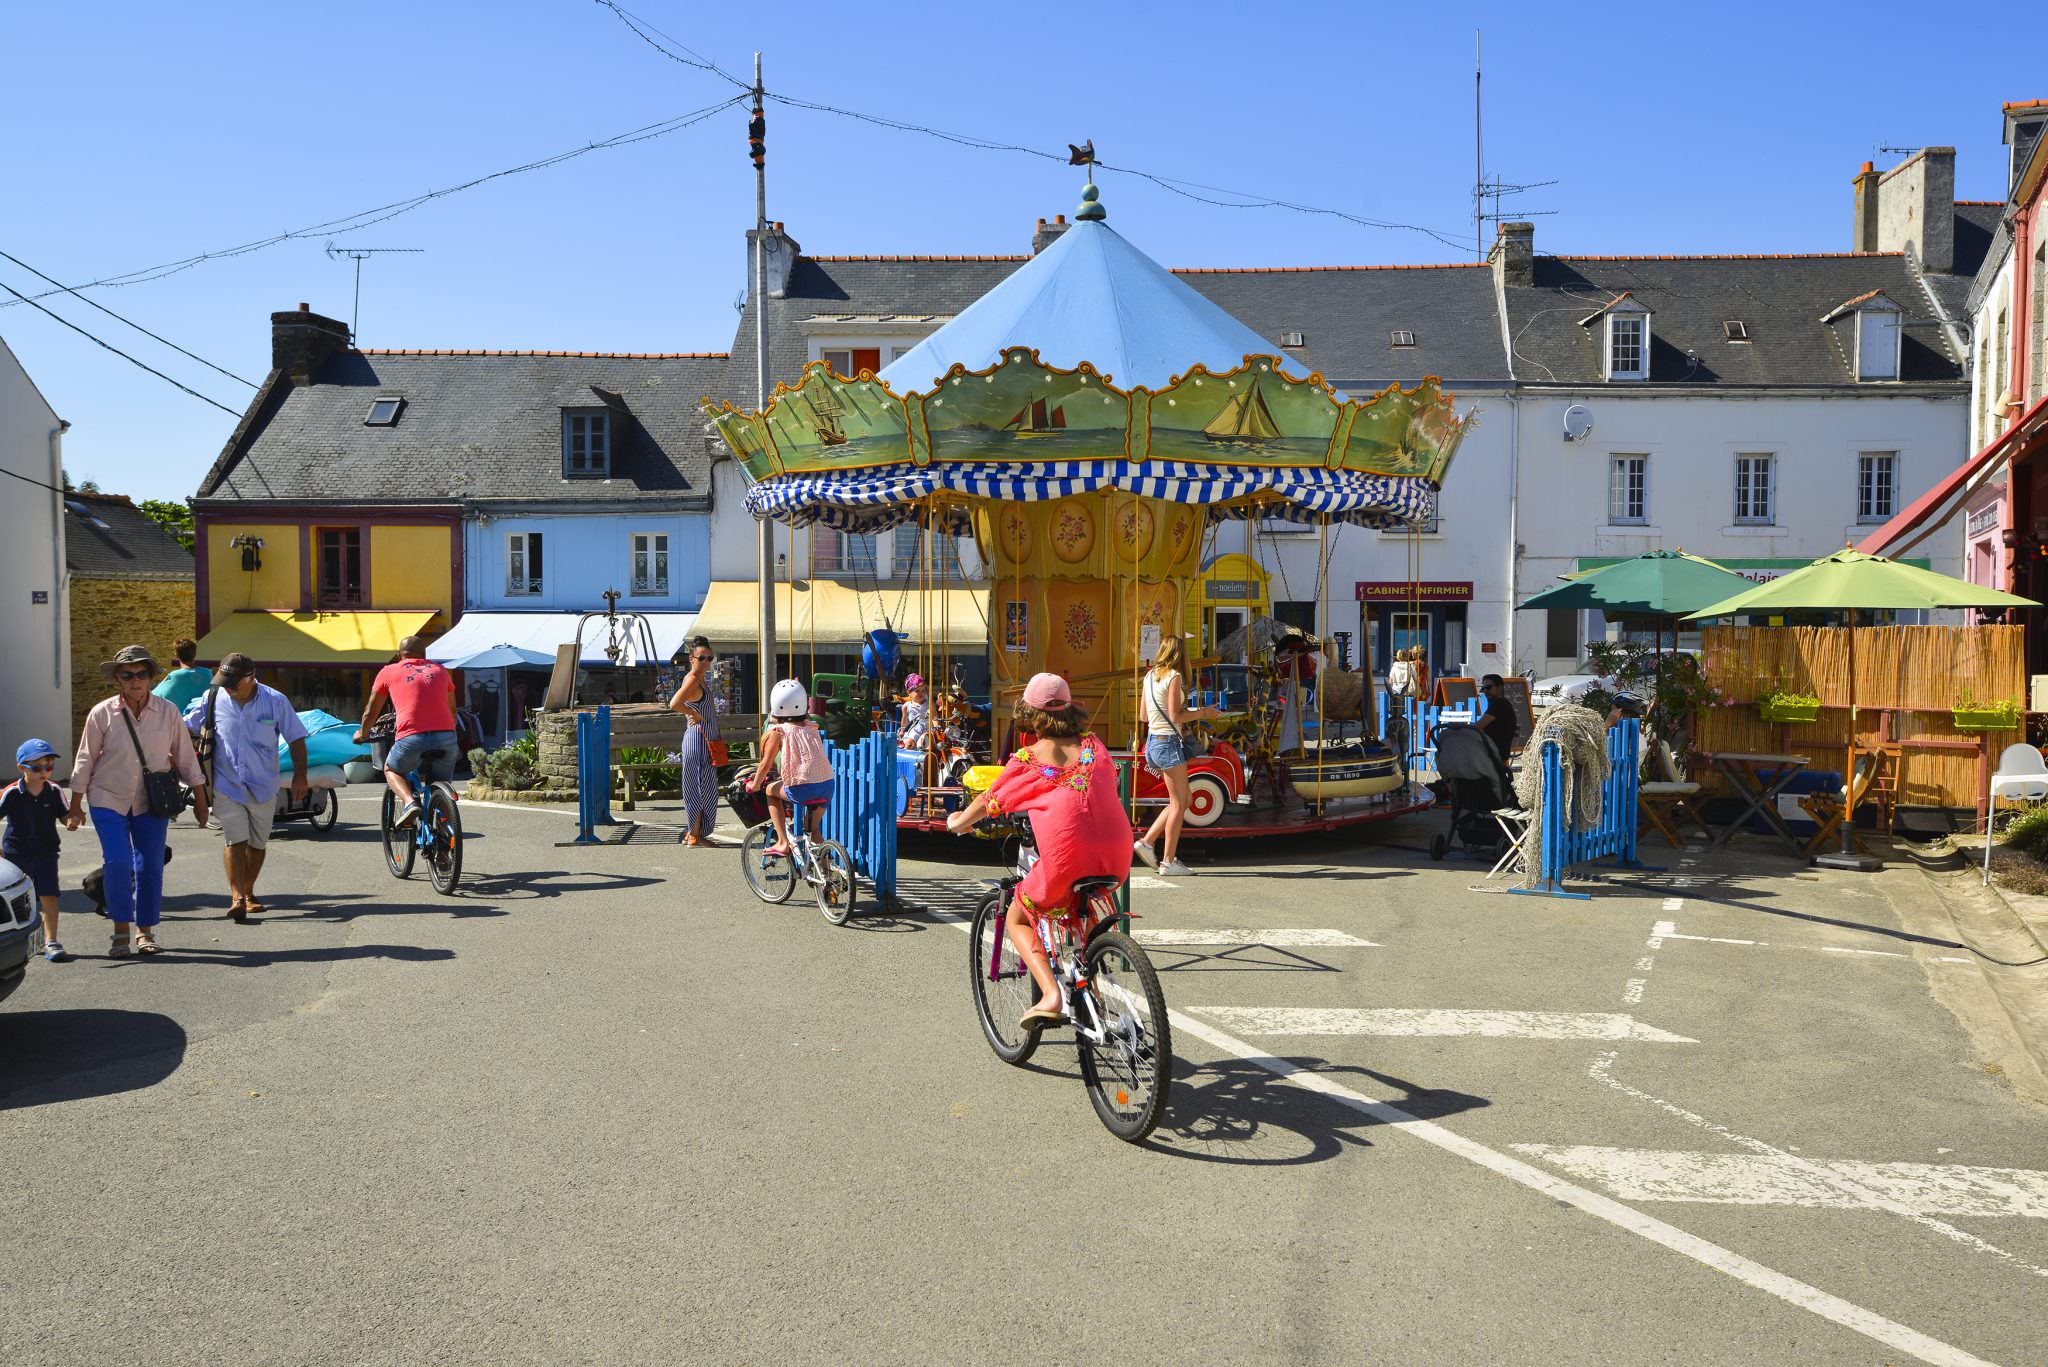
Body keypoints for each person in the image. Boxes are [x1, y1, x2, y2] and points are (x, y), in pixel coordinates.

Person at [947, 673, 1133, 1030]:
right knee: (1082, 908)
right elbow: (1107, 783)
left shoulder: (1028, 759)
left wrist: (959, 822)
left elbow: (990, 800)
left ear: (1030, 715)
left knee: (1019, 914)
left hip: (1067, 858)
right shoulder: (1095, 745)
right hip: (1117, 854)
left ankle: (1051, 995)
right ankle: (1090, 992)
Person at [66, 644, 209, 957]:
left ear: (150, 677)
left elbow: (186, 759)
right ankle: (120, 930)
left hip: (151, 800)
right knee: (117, 863)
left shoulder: (168, 712)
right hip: (108, 796)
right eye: (127, 674)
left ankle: (144, 930)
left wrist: (201, 800)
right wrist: (75, 804)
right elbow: (85, 758)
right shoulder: (102, 713)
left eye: (141, 673)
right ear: (118, 678)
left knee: (150, 867)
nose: (135, 680)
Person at [185, 652, 309, 922]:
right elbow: (187, 726)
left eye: (233, 682)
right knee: (235, 839)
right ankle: (237, 896)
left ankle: (249, 890)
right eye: (224, 681)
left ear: (251, 678)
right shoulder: (213, 697)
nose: (228, 687)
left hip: (264, 784)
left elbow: (296, 738)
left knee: (257, 843)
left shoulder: (275, 701)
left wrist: (301, 776)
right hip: (226, 784)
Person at [1133, 637, 1220, 878]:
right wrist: (1205, 712)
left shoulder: (1150, 677)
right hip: (1168, 743)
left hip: (1153, 741)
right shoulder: (1174, 677)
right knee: (1180, 803)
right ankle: (1168, 861)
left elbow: (1143, 716)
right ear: (1180, 655)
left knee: (1184, 799)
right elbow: (1175, 715)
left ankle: (1148, 842)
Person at [354, 636, 458, 827]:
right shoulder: (440, 671)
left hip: (411, 737)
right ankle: (444, 845)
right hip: (446, 737)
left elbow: (371, 711)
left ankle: (410, 804)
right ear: (425, 655)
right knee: (441, 787)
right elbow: (452, 710)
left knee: (391, 768)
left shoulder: (389, 671)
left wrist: (363, 733)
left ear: (398, 655)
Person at [4, 739, 73, 962]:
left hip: (46, 852)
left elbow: (65, 815)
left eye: (49, 766)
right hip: (17, 853)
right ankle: (20, 939)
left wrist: (71, 820)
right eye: (37, 767)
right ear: (21, 767)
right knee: (20, 899)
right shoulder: (11, 792)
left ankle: (51, 941)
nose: (44, 772)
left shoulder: (54, 791)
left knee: (49, 896)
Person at [749, 679, 834, 858]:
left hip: (801, 788)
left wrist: (755, 785)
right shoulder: (812, 727)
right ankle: (826, 878)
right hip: (827, 786)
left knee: (770, 791)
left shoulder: (778, 732)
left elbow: (765, 764)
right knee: (813, 829)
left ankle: (781, 842)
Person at [666, 635, 723, 847]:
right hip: (698, 740)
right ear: (692, 659)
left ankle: (696, 833)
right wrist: (693, 713)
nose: (706, 662)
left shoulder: (698, 679)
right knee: (700, 788)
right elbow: (674, 703)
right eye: (702, 658)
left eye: (709, 658)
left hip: (701, 740)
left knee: (702, 786)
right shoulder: (691, 679)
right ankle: (694, 835)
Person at [153, 638, 210, 712]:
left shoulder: (175, 676)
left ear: (176, 655)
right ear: (195, 654)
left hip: (181, 721)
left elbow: (153, 696)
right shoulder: (207, 673)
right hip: (205, 720)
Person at [898, 674, 929, 749]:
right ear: (909, 692)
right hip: (914, 729)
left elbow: (933, 717)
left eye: (923, 691)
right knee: (908, 743)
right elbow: (904, 719)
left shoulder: (928, 704)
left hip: (926, 728)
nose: (920, 693)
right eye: (917, 691)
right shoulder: (906, 706)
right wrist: (902, 729)